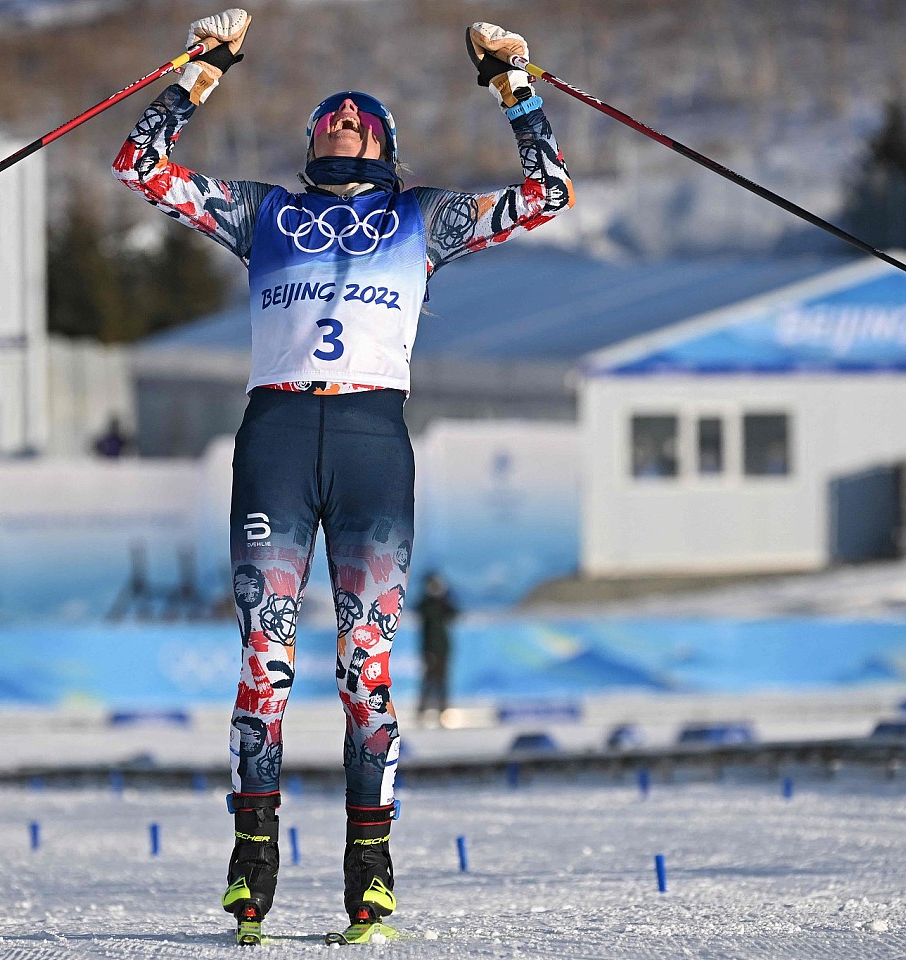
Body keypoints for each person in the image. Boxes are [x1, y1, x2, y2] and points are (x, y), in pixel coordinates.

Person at [113, 9, 573, 942]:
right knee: (264, 663)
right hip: (278, 433)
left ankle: (371, 870)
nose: (345, 122)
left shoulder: (422, 215)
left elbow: (547, 194)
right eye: (330, 117)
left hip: (370, 436)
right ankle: (253, 856)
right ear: (309, 140)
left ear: (389, 144)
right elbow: (140, 166)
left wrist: (513, 85)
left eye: (363, 119)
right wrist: (204, 70)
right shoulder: (264, 211)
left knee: (365, 670)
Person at [415, 572, 459, 724]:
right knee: (428, 681)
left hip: (443, 649)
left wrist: (444, 597)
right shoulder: (426, 604)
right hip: (429, 649)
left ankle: (443, 711)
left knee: (442, 681)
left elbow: (454, 614)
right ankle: (421, 712)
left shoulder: (443, 603)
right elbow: (420, 610)